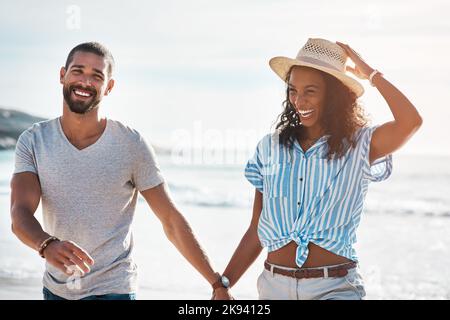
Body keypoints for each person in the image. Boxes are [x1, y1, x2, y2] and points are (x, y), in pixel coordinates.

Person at [10, 42, 233, 300]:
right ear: (62, 75)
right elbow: (20, 213)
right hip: (56, 289)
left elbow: (170, 219)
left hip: (115, 290)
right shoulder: (34, 140)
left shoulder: (131, 144)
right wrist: (46, 244)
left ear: (109, 87)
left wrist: (217, 283)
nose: (85, 82)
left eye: (96, 76)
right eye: (77, 71)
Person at [216, 38, 422, 300]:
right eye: (293, 90)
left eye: (310, 91)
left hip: (334, 288)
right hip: (273, 287)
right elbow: (257, 229)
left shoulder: (360, 145)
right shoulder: (270, 148)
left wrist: (369, 73)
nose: (299, 100)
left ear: (333, 94)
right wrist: (224, 283)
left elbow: (411, 121)